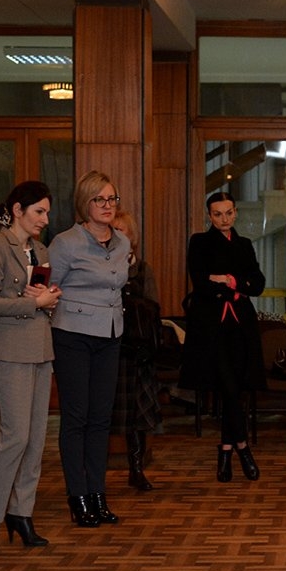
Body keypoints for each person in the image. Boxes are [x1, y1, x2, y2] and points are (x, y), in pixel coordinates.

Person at [0, 181, 61, 555]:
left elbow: (41, 301)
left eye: (46, 212)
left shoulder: (40, 250)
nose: (44, 219)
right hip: (10, 352)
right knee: (14, 438)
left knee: (36, 439)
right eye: (39, 211)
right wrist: (34, 304)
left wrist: (49, 301)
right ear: (17, 210)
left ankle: (21, 513)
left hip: (41, 349)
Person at [50, 171, 129, 527]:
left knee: (101, 419)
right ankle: (78, 496)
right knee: (76, 418)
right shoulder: (65, 243)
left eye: (112, 199)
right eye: (99, 199)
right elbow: (48, 289)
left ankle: (98, 494)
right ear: (85, 203)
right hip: (73, 335)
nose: (107, 205)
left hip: (110, 335)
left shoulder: (122, 242)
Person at [180, 192, 266, 483]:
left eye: (228, 213)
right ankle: (243, 448)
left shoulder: (244, 244)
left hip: (241, 327)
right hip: (211, 328)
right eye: (217, 214)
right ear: (209, 215)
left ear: (236, 212)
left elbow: (259, 285)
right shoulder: (199, 242)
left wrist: (228, 280)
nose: (224, 219)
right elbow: (200, 282)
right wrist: (237, 285)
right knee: (228, 387)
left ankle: (226, 450)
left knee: (236, 389)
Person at [111, 209, 162, 492]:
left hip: (138, 351)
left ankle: (137, 468)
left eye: (122, 231)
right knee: (109, 411)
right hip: (111, 347)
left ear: (132, 237)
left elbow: (154, 307)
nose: (117, 235)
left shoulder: (142, 269)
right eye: (113, 230)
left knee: (138, 414)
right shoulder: (102, 265)